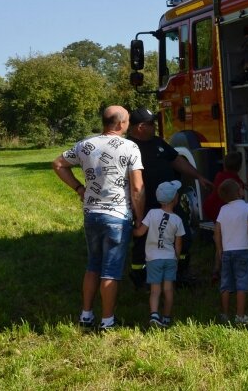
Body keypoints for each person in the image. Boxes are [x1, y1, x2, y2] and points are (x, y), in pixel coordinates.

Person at [52, 105, 144, 331]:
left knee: (93, 264)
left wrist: (79, 189)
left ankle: (86, 315)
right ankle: (107, 321)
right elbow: (137, 188)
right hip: (117, 216)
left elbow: (58, 164)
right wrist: (140, 220)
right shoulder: (130, 147)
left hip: (91, 215)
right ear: (121, 123)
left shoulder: (85, 145)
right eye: (128, 120)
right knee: (111, 270)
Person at [126, 107, 212, 287]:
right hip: (145, 204)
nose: (155, 127)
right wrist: (138, 214)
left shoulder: (157, 142)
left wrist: (199, 176)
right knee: (144, 241)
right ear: (140, 127)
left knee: (183, 237)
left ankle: (180, 273)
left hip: (170, 203)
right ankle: (140, 276)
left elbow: (176, 160)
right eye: (151, 124)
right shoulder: (129, 147)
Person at [133, 181, 186, 328]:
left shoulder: (152, 214)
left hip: (153, 259)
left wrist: (132, 230)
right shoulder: (177, 220)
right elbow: (179, 243)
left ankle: (154, 315)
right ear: (175, 199)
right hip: (170, 259)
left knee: (155, 290)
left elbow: (140, 232)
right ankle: (167, 317)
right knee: (168, 289)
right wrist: (176, 256)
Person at [213, 178, 248, 324]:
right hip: (243, 252)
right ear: (240, 191)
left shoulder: (223, 210)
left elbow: (217, 233)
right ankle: (240, 316)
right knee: (242, 284)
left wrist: (220, 249)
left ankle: (225, 314)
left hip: (227, 252)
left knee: (226, 283)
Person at [203, 151, 245, 223]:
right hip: (220, 210)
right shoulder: (237, 182)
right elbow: (239, 194)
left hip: (209, 206)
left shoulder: (219, 175)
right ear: (240, 167)